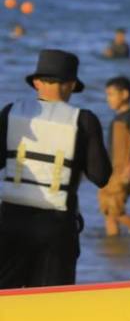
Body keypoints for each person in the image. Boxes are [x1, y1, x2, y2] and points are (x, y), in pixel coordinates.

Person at [0, 50, 111, 288]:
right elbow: (101, 176)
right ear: (71, 85)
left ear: (37, 83)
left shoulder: (10, 112)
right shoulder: (83, 120)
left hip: (10, 222)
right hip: (57, 227)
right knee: (50, 301)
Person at [98, 76, 130, 237]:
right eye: (107, 95)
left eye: (111, 94)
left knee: (116, 211)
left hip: (123, 171)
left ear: (125, 94)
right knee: (107, 210)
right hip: (113, 171)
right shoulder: (117, 118)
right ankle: (114, 247)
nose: (108, 99)